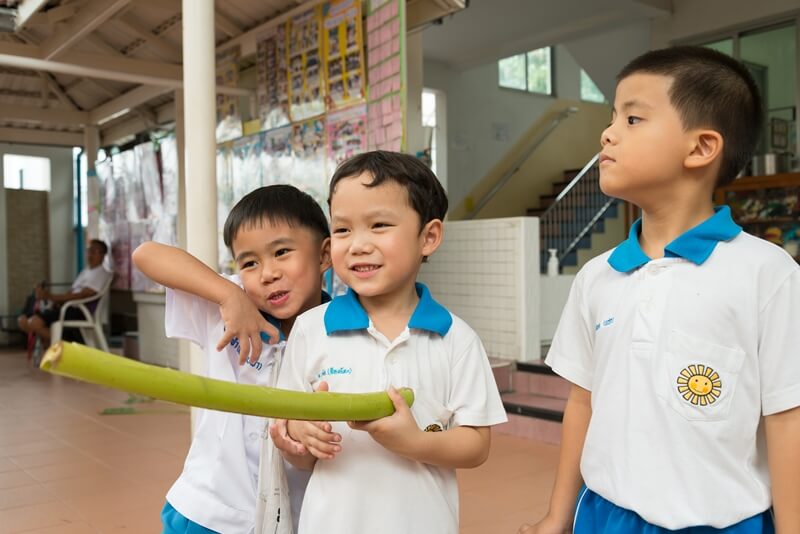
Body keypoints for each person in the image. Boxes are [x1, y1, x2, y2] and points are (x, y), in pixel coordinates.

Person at [519, 46, 800, 534]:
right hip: (603, 515)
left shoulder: (767, 273)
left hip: (721, 523)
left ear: (700, 147)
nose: (607, 133)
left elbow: (787, 419)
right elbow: (582, 404)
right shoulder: (596, 277)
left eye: (632, 119)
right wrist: (556, 516)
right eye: (612, 118)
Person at [272, 151, 508, 534]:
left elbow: (476, 445)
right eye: (344, 230)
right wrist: (299, 437)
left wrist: (413, 442)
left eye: (379, 225)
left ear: (428, 237)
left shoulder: (455, 338)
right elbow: (294, 442)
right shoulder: (310, 329)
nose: (358, 245)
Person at [132, 185, 332, 534]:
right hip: (205, 511)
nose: (267, 273)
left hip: (294, 517)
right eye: (249, 263)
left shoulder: (338, 334)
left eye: (282, 251)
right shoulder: (223, 310)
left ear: (324, 254)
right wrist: (228, 295)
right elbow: (147, 255)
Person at [17, 239, 112, 343]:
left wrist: (50, 296)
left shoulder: (102, 273)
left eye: (94, 251)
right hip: (68, 307)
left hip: (78, 311)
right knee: (22, 321)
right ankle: (56, 343)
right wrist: (55, 301)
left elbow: (83, 295)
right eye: (89, 250)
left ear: (103, 255)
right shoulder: (85, 272)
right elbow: (71, 293)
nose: (90, 254)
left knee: (34, 323)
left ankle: (63, 345)